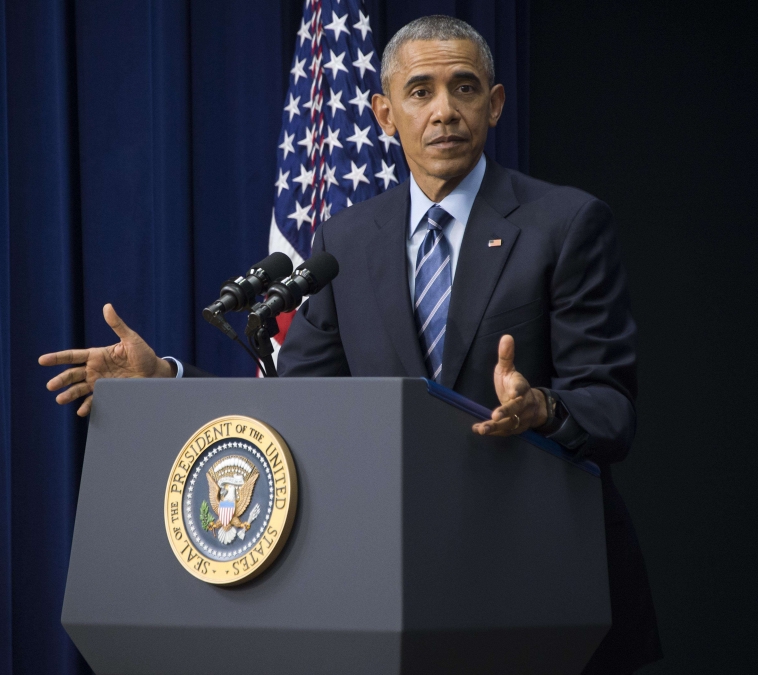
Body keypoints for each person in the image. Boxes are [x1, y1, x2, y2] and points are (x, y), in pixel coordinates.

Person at [39, 16, 661, 674]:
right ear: (385, 114)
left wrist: (543, 407)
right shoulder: (347, 240)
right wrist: (169, 380)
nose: (444, 110)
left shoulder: (564, 223)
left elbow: (611, 409)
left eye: (465, 88)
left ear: (496, 103)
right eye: (420, 91)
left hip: (541, 594)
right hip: (399, 597)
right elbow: (294, 411)